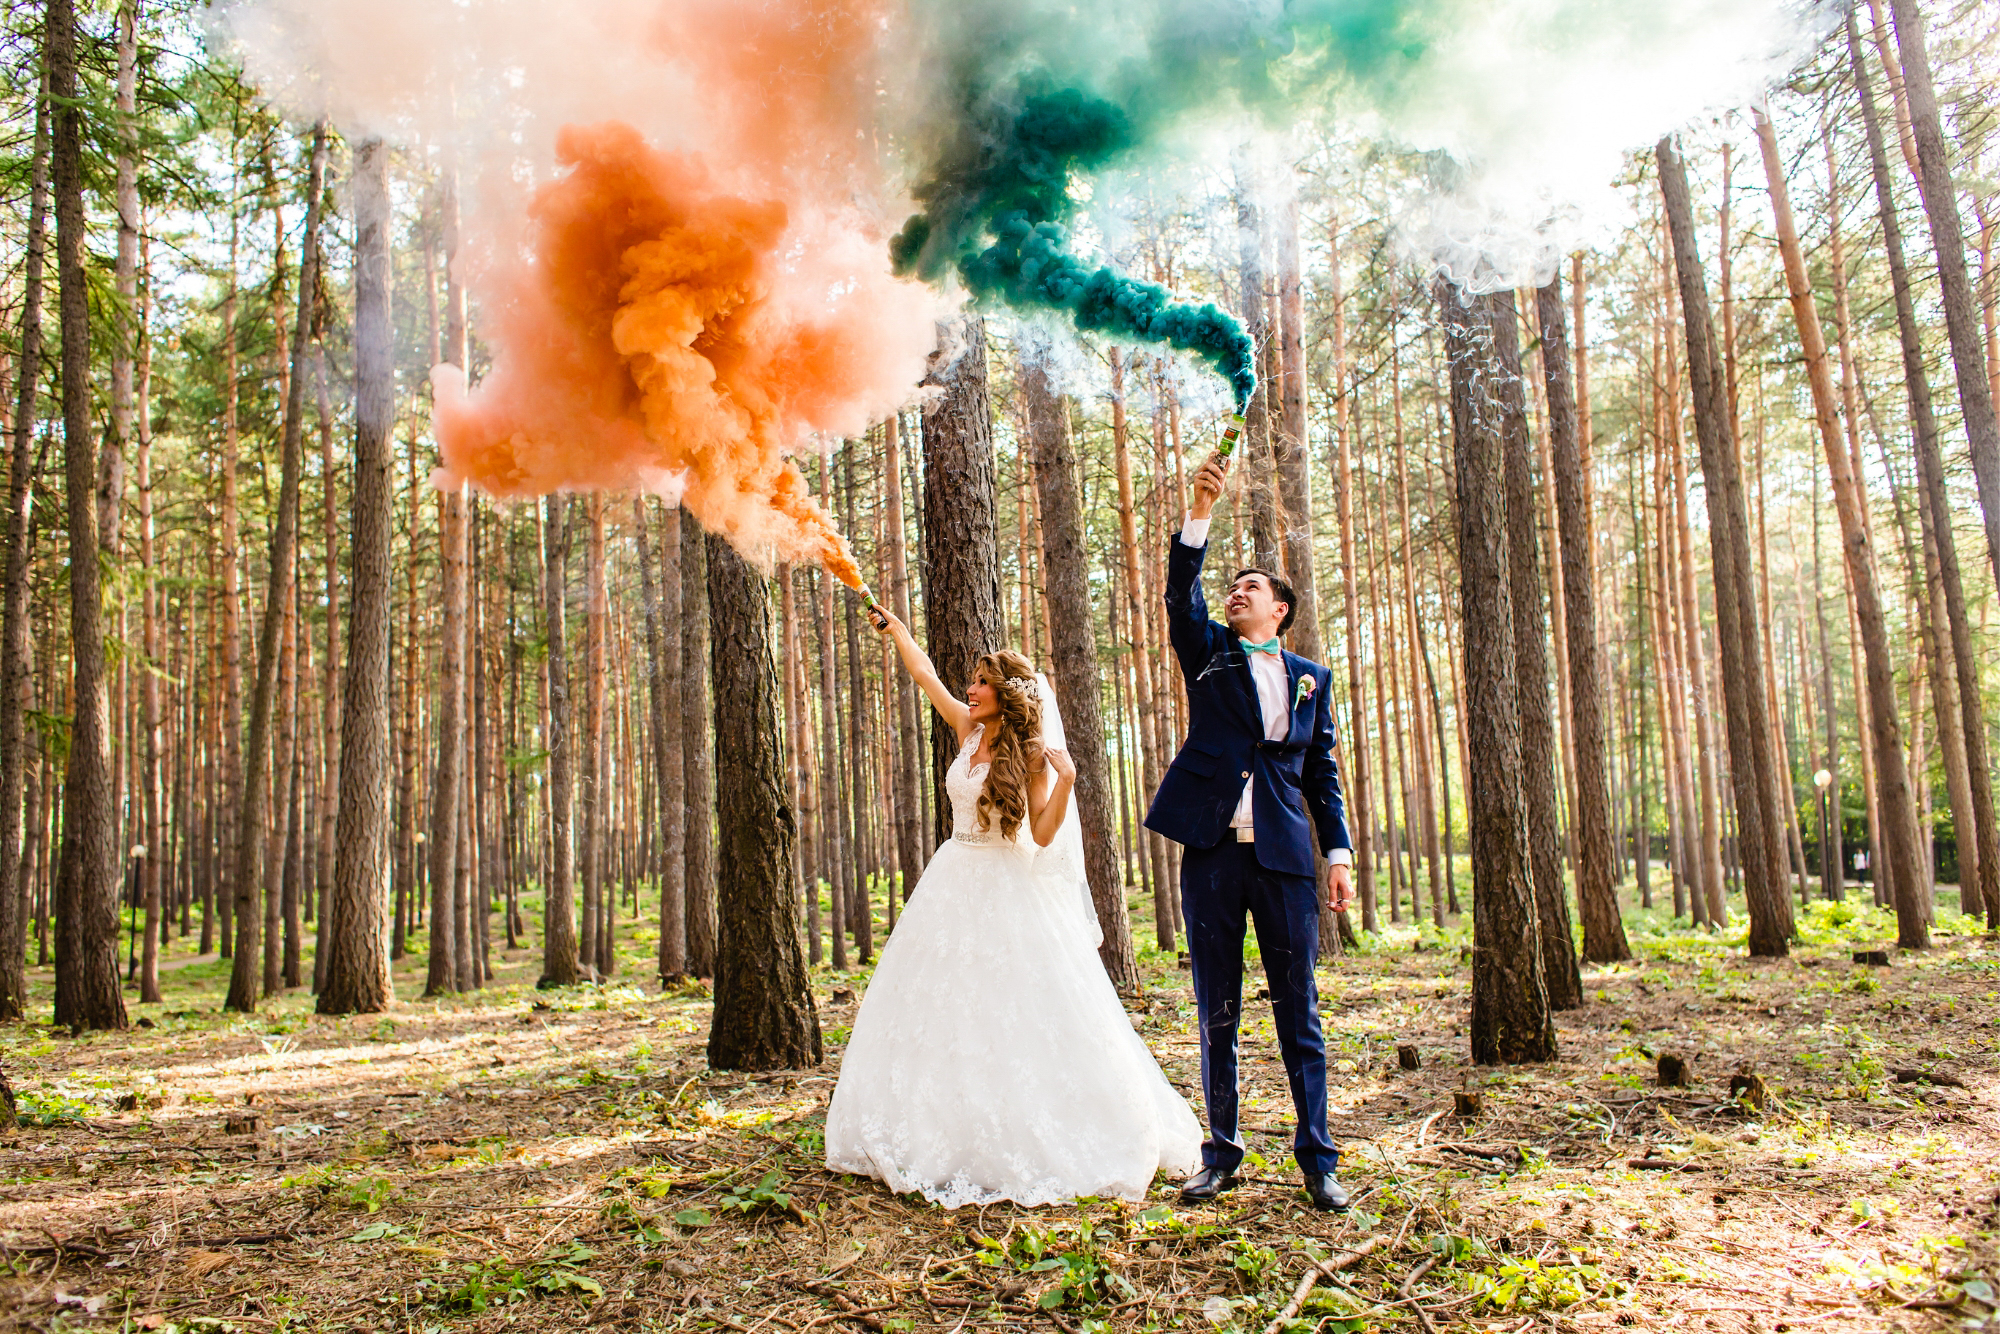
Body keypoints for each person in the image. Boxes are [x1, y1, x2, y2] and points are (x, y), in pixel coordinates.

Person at [823, 619, 1200, 1207]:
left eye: (980, 683)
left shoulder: (1030, 753)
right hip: (951, 878)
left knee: (1013, 1005)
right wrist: (897, 629)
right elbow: (923, 675)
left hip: (1006, 881)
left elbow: (1045, 834)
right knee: (941, 1005)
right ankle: (938, 1125)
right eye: (972, 682)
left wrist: (1068, 781)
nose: (970, 690)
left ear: (1008, 693)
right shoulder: (966, 729)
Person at [1142, 449, 1356, 1212]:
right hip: (1209, 856)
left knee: (1298, 1010)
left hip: (1287, 858)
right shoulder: (1207, 654)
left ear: (1281, 609)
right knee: (1216, 1008)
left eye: (1252, 587)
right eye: (1232, 586)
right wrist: (1198, 510)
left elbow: (1321, 769)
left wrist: (1336, 853)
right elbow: (1179, 595)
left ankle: (1317, 1160)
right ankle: (1222, 1152)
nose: (1238, 592)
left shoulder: (1310, 677)